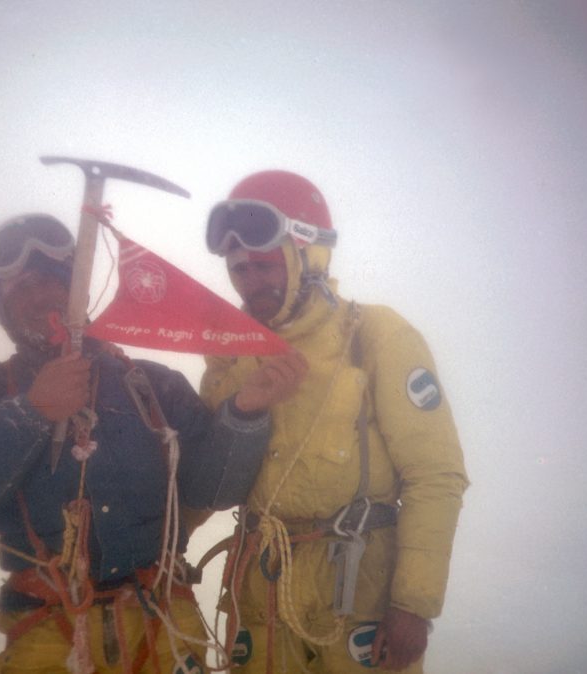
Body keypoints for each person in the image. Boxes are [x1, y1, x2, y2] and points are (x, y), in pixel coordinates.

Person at [0, 214, 306, 674]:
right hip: (45, 625)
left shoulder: (152, 386)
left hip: (162, 618)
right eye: (20, 287)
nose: (39, 296)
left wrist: (244, 414)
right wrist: (31, 413)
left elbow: (211, 492)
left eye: (51, 280)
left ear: (79, 287)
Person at [200, 171, 468, 673]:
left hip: (358, 597)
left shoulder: (376, 336)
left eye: (263, 265)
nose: (249, 281)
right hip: (260, 594)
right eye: (238, 269)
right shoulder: (229, 355)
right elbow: (208, 477)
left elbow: (435, 474)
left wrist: (414, 606)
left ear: (308, 256)